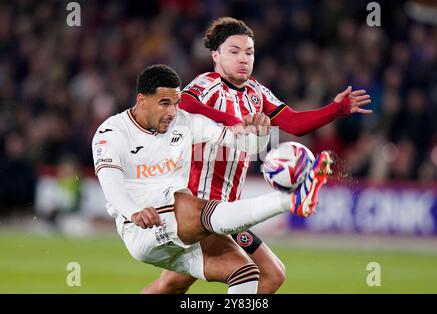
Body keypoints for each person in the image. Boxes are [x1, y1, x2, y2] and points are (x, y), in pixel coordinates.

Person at [144, 17, 372, 294]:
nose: (244, 58)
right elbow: (186, 103)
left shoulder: (256, 92)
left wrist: (335, 109)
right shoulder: (207, 84)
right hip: (196, 206)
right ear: (215, 55)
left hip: (228, 211)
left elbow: (296, 124)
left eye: (249, 52)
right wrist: (233, 122)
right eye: (234, 51)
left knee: (178, 285)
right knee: (252, 274)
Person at [92, 64, 332, 294]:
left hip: (184, 224)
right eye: (164, 103)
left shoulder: (183, 121)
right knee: (192, 205)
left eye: (175, 103)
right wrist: (133, 211)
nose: (172, 112)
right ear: (141, 100)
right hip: (142, 226)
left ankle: (289, 200)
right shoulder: (111, 132)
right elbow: (110, 182)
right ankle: (289, 201)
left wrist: (259, 135)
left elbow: (243, 143)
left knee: (246, 273)